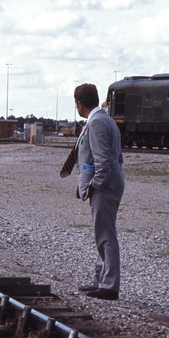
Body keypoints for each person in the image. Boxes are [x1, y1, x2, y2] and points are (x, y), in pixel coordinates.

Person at [62, 83, 125, 300]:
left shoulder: (97, 123)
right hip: (110, 184)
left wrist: (95, 185)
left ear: (79, 104)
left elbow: (103, 161)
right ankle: (101, 281)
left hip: (105, 187)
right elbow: (118, 157)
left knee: (106, 236)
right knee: (103, 234)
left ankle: (109, 286)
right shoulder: (105, 119)